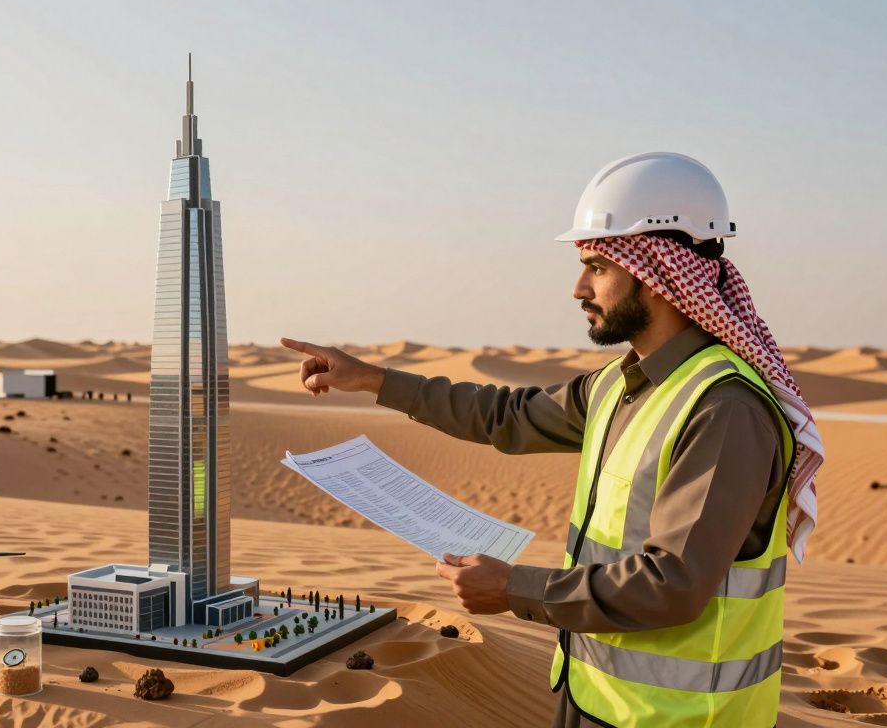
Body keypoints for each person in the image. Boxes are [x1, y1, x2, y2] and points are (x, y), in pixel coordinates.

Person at [280, 152, 823, 727]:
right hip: (593, 699)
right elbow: (506, 417)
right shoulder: (620, 384)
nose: (578, 288)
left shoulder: (724, 409)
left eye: (598, 266)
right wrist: (373, 380)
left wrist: (514, 588)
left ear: (659, 275)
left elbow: (674, 586)